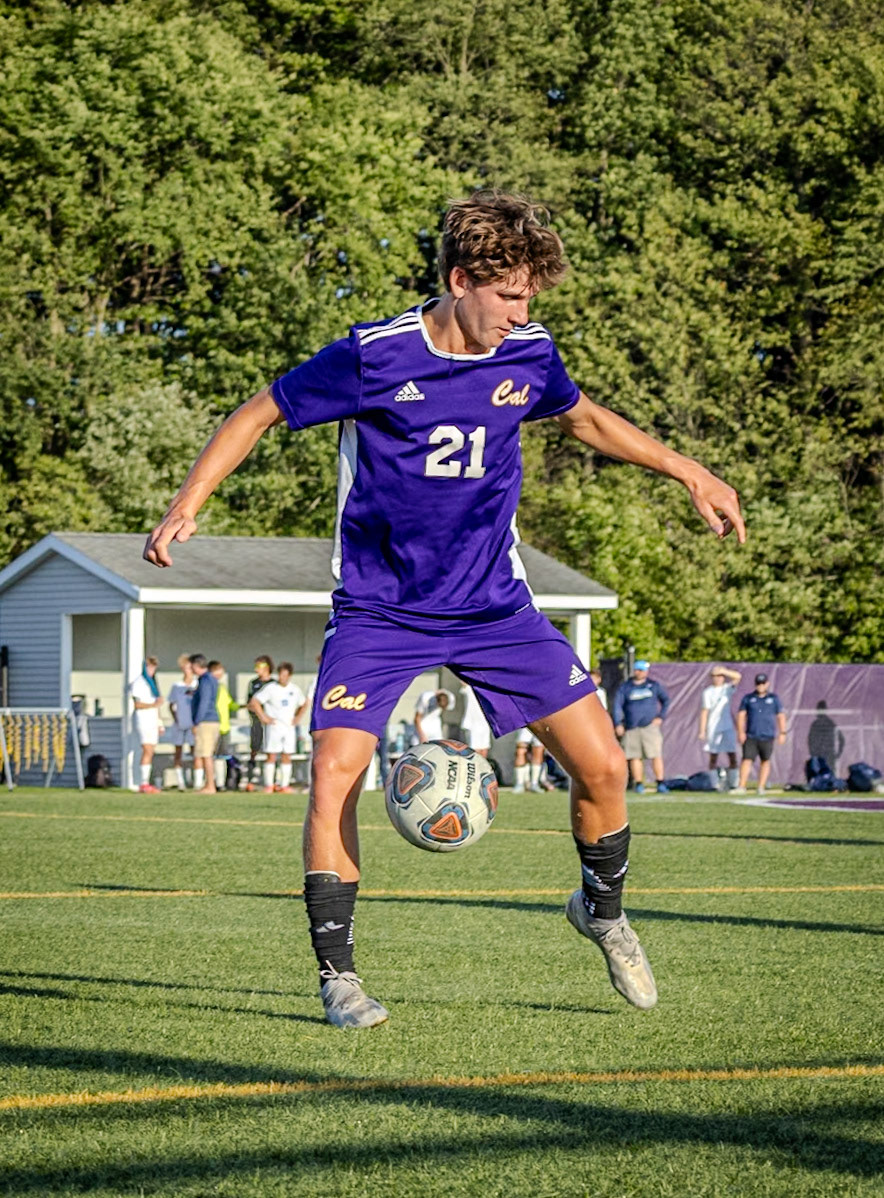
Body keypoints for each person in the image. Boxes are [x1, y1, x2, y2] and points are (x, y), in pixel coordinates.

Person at [144, 188, 744, 1028]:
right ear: (461, 281)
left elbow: (587, 422)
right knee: (332, 774)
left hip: (493, 605)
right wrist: (190, 500)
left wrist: (691, 472)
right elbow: (259, 412)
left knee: (606, 768)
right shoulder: (374, 355)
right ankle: (339, 980)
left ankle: (602, 912)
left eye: (530, 296)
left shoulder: (530, 352)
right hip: (380, 611)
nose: (522, 312)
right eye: (510, 296)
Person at [248, 662, 308, 793]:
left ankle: (284, 785)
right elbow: (254, 702)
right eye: (281, 675)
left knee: (287, 755)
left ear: (290, 676)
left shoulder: (295, 689)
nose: (283, 678)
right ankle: (269, 785)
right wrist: (264, 717)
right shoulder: (271, 688)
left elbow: (304, 703)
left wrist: (298, 718)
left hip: (288, 728)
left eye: (285, 675)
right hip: (274, 726)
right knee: (271, 755)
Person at [612, 661, 671, 794]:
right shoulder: (626, 687)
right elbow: (617, 706)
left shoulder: (653, 685)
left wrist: (661, 717)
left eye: (642, 670)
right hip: (632, 727)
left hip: (649, 727)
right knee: (634, 756)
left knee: (655, 754)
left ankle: (660, 782)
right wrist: (618, 723)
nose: (639, 672)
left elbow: (666, 700)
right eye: (638, 670)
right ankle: (639, 783)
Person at [733, 674, 787, 795]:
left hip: (767, 735)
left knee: (765, 761)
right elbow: (741, 715)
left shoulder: (773, 698)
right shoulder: (748, 698)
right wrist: (741, 732)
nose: (761, 686)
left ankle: (761, 787)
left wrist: (783, 732)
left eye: (763, 683)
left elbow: (781, 716)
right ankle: (742, 786)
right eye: (758, 683)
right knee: (747, 760)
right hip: (751, 735)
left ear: (767, 684)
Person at [698, 665, 742, 787]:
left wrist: (723, 670)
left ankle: (734, 783)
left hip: (727, 727)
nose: (717, 678)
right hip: (713, 728)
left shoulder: (727, 689)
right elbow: (705, 711)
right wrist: (702, 730)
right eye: (714, 676)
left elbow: (738, 677)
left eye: (720, 676)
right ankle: (715, 784)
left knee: (731, 754)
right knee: (713, 756)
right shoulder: (708, 692)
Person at [129, 656, 163, 793]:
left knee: (151, 750)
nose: (152, 670)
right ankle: (143, 783)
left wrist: (160, 723)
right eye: (150, 666)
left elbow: (157, 706)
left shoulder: (153, 684)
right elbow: (137, 704)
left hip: (152, 720)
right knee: (147, 750)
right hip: (143, 720)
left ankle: (146, 781)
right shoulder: (138, 683)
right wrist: (153, 704)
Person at [190, 654, 220, 794]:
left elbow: (204, 701)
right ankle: (208, 784)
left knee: (205, 753)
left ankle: (210, 785)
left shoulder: (205, 680)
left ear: (196, 665)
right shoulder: (212, 679)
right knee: (206, 753)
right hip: (212, 720)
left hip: (206, 721)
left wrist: (197, 721)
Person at [167, 653, 196, 791]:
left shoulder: (197, 684)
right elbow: (171, 705)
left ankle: (197, 781)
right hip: (180, 724)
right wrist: (176, 718)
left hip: (193, 724)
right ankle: (180, 782)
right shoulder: (177, 686)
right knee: (178, 752)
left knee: (195, 752)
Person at [245, 656, 275, 789]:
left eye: (259, 667)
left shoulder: (274, 684)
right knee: (254, 748)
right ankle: (251, 780)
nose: (256, 670)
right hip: (257, 721)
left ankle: (271, 780)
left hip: (272, 722)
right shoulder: (253, 683)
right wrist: (259, 713)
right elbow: (250, 703)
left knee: (271, 750)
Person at [214, 664, 240, 789]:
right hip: (214, 727)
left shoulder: (222, 687)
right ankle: (215, 782)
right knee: (214, 756)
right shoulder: (209, 687)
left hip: (224, 727)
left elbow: (230, 704)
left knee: (223, 755)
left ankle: (222, 783)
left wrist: (242, 706)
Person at [513, 727, 555, 792]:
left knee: (538, 750)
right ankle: (520, 783)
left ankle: (534, 784)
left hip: (540, 722)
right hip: (525, 723)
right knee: (521, 749)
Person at [459, 683, 491, 756]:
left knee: (484, 750)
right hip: (472, 724)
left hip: (485, 723)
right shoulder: (470, 688)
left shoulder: (488, 689)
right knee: (474, 753)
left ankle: (483, 767)